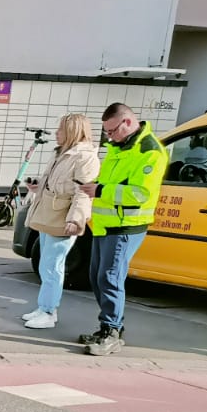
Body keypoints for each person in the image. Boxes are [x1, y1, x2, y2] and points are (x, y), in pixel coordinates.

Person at [81, 102, 169, 356]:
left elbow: (140, 194)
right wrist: (96, 185)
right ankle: (108, 328)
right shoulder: (120, 147)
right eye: (106, 132)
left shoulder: (149, 151)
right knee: (98, 277)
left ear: (128, 122)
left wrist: (101, 190)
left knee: (110, 278)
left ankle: (111, 331)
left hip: (125, 226)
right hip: (106, 224)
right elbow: (112, 181)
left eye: (112, 131)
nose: (109, 137)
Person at [20, 112, 98, 330]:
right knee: (47, 265)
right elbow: (57, 182)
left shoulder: (85, 157)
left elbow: (83, 193)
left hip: (61, 218)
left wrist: (76, 220)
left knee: (52, 266)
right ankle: (43, 307)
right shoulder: (62, 153)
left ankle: (48, 311)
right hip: (49, 215)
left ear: (73, 131)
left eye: (61, 129)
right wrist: (38, 185)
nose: (57, 133)